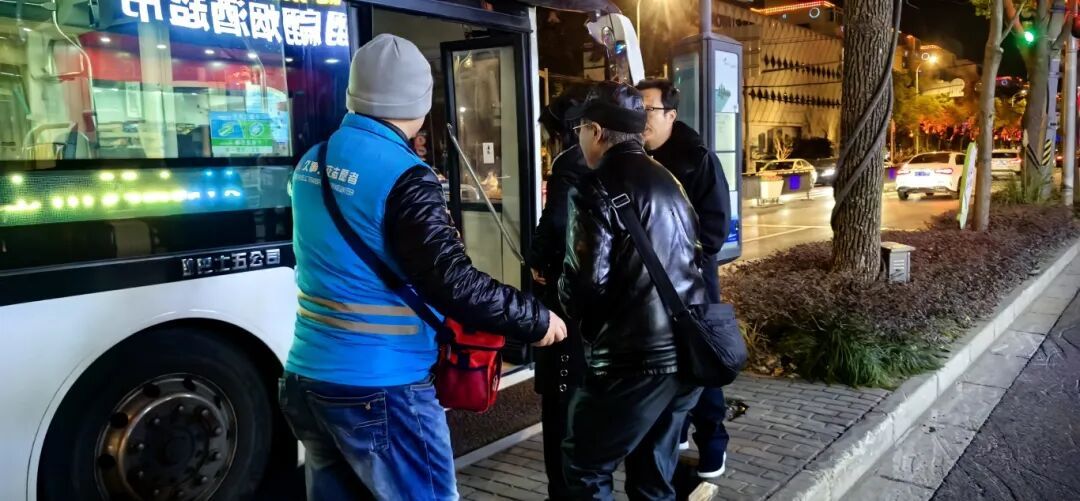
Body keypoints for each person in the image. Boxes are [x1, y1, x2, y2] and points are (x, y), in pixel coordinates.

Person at [279, 34, 567, 500]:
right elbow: (451, 280)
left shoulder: (313, 160)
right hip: (381, 386)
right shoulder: (405, 175)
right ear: (420, 101)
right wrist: (536, 319)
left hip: (307, 380)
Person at [559, 81, 706, 499]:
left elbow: (587, 283)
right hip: (686, 353)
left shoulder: (594, 187)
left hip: (632, 360)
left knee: (586, 465)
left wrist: (563, 293)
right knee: (652, 476)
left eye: (580, 130)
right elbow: (694, 254)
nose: (580, 140)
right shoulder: (669, 180)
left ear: (595, 131)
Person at [636, 78, 732, 479]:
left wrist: (677, 261)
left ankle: (713, 440)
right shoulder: (635, 158)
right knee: (665, 362)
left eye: (649, 109)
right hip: (648, 285)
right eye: (635, 108)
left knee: (701, 359)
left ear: (671, 115)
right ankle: (674, 432)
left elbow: (715, 228)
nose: (641, 117)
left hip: (691, 283)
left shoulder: (697, 159)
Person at [529, 84, 592, 500]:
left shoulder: (569, 163)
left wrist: (537, 258)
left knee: (560, 402)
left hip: (567, 299)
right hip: (601, 303)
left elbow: (556, 224)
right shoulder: (624, 161)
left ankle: (563, 490)